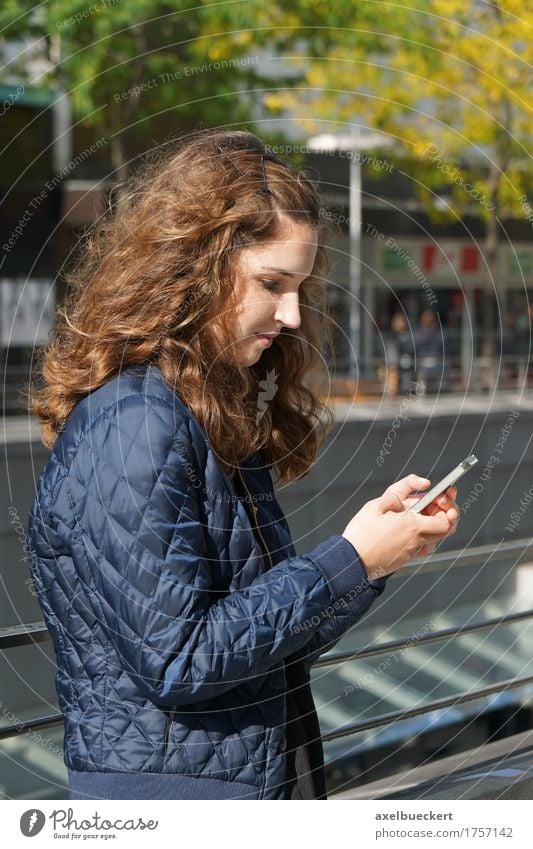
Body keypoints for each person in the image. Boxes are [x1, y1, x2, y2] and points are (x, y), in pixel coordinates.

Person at [27, 129, 459, 801]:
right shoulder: (134, 423)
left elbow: (258, 649)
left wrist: (373, 556)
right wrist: (350, 558)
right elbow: (178, 660)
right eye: (270, 282)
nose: (290, 313)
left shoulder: (206, 412)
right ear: (196, 266)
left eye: (298, 286)